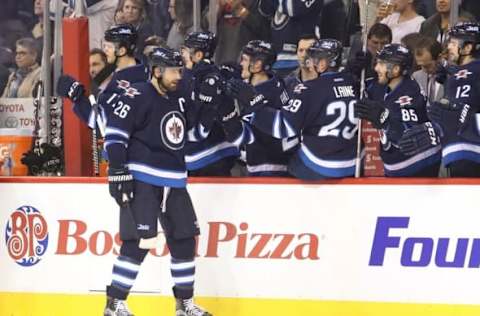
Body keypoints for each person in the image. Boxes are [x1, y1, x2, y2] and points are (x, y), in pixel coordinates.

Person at [103, 46, 212, 316]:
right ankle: (115, 303)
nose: (179, 76)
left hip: (175, 180)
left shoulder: (179, 98)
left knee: (185, 241)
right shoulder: (138, 94)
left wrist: (211, 108)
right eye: (174, 71)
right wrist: (118, 171)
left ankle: (184, 304)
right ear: (157, 71)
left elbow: (193, 135)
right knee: (137, 243)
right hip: (142, 179)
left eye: (181, 70)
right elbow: (115, 136)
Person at [225, 39, 360, 179]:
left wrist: (253, 101)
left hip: (319, 164)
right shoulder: (353, 83)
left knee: (292, 166)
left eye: (314, 59)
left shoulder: (310, 89)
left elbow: (284, 126)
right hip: (350, 163)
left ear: (322, 64)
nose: (309, 62)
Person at [355, 43, 442, 177]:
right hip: (395, 167)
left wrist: (385, 120)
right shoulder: (381, 84)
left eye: (381, 64)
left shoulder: (410, 95)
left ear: (395, 69)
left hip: (419, 165)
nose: (376, 68)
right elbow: (356, 88)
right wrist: (353, 69)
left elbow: (409, 139)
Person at [57, 24, 148, 132]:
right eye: (104, 46)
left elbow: (103, 124)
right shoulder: (141, 72)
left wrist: (78, 97)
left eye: (109, 47)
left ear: (122, 51)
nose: (105, 51)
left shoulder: (128, 84)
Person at [180, 31, 240, 176]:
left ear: (198, 55)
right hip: (220, 151)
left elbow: (196, 118)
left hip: (206, 155)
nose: (181, 54)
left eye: (185, 51)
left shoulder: (202, 79)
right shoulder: (214, 75)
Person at [428, 22, 480, 177]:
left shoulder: (475, 70)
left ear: (467, 48)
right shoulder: (460, 73)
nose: (448, 47)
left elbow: (468, 108)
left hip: (471, 149)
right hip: (457, 147)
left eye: (452, 42)